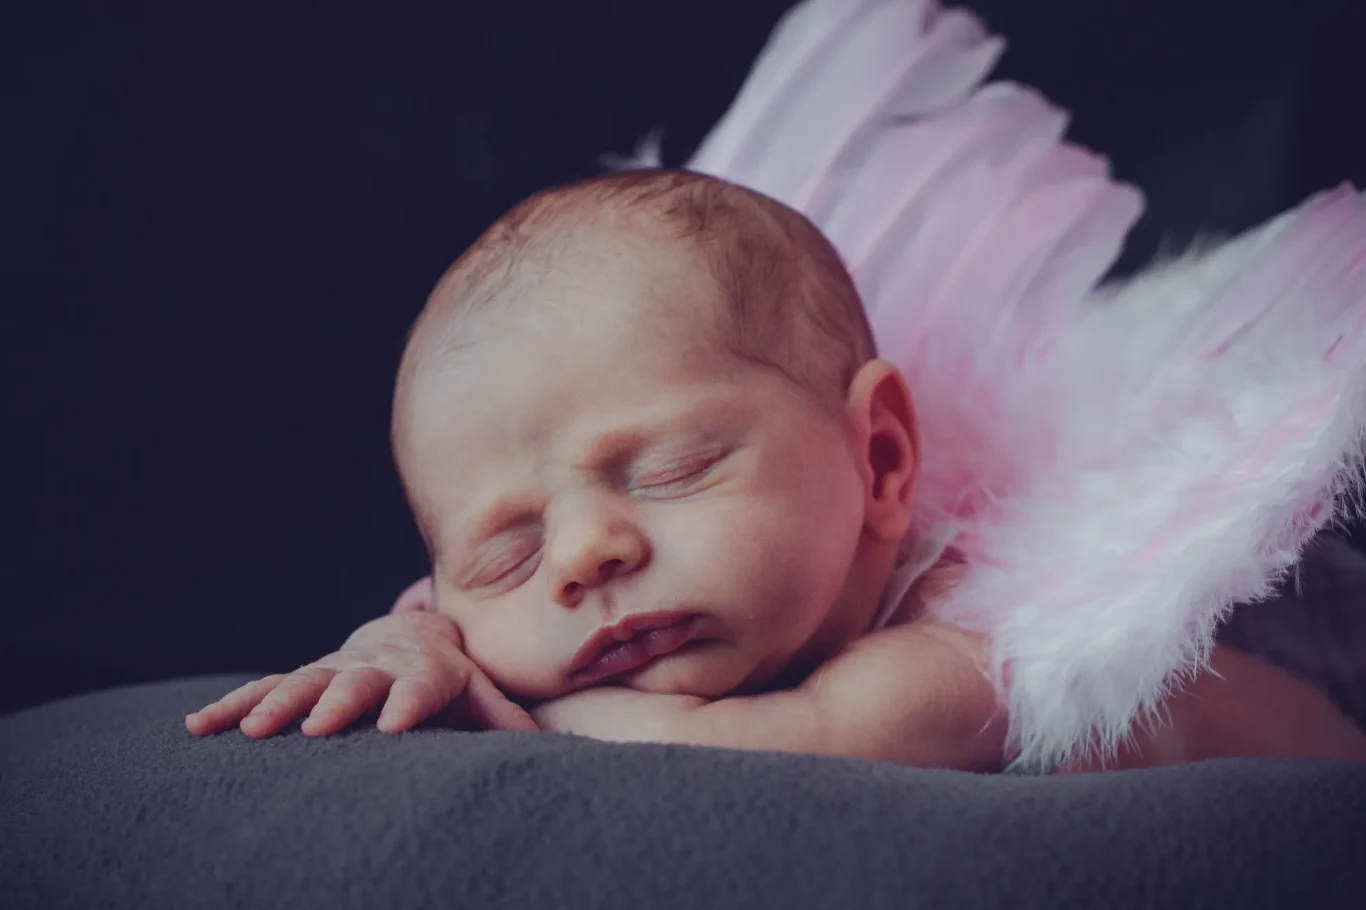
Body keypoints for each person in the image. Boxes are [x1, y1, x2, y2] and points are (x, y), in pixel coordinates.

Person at [186, 170, 1366, 772]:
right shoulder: (503, 605)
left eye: (670, 469)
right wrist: (408, 642)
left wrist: (517, 711)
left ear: (882, 456)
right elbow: (443, 614)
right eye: (507, 548)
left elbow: (791, 739)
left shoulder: (967, 636)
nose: (587, 551)